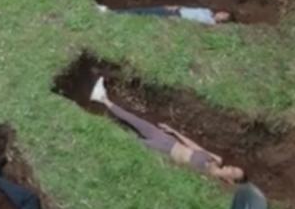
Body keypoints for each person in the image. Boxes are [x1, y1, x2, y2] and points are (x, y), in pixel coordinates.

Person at [90, 77, 245, 183]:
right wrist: (173, 132)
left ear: (229, 180)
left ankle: (99, 127)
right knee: (135, 120)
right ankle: (102, 98)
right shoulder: (216, 160)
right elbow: (193, 146)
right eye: (233, 168)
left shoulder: (208, 180)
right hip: (169, 140)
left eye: (233, 173)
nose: (230, 169)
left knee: (130, 140)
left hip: (164, 151)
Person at [97, 4, 232, 25]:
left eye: (224, 17)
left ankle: (113, 17)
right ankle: (111, 12)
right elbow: (191, 9)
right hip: (175, 11)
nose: (221, 15)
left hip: (176, 18)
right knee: (144, 11)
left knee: (143, 17)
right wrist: (174, 6)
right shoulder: (207, 11)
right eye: (223, 13)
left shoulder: (211, 23)